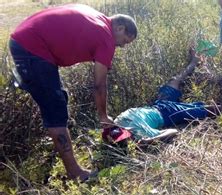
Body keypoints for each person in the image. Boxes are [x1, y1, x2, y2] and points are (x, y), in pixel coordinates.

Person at [9, 4, 137, 181]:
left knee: (59, 98)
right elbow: (100, 85)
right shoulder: (107, 37)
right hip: (32, 47)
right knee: (56, 108)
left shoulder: (96, 17)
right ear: (120, 28)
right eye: (124, 41)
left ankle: (57, 148)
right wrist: (103, 116)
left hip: (24, 40)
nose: (122, 46)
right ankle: (75, 173)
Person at [108, 50, 222, 143]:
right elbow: (171, 131)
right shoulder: (137, 133)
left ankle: (194, 61)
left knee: (175, 81)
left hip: (158, 105)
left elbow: (170, 132)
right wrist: (145, 141)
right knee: (208, 110)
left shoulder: (122, 128)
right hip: (166, 112)